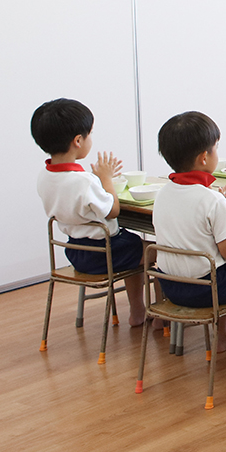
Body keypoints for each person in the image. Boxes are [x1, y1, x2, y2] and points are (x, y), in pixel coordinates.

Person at [32, 97, 146, 327]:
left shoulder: (45, 176)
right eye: (89, 134)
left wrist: (99, 182)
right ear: (77, 140)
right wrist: (106, 179)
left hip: (75, 252)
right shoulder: (83, 181)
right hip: (104, 252)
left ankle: (139, 311)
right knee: (149, 252)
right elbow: (113, 211)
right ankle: (140, 310)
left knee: (135, 247)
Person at [151, 111, 226, 352]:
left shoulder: (161, 194)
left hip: (170, 286)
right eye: (216, 148)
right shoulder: (212, 200)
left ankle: (220, 334)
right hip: (207, 290)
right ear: (204, 158)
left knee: (213, 260)